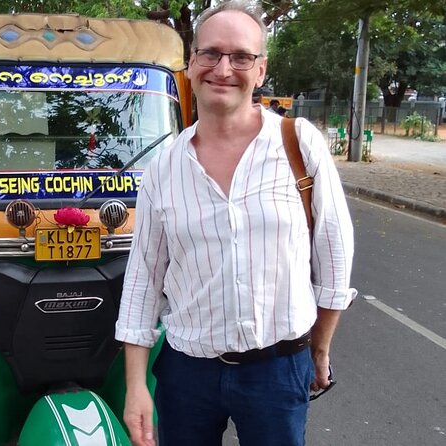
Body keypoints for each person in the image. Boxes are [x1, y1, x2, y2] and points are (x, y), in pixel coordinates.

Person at [115, 1, 356, 445]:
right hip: (186, 374)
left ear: (260, 70)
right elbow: (142, 282)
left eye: (241, 57)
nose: (223, 69)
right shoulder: (163, 169)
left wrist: (319, 348)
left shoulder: (299, 144)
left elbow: (334, 257)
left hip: (278, 371)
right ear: (191, 64)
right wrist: (135, 388)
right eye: (210, 53)